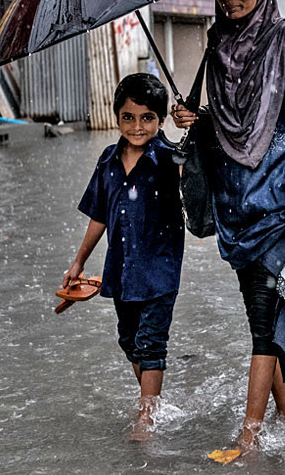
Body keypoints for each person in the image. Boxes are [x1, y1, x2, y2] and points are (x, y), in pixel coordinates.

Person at [172, 0, 285, 451]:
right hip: (234, 206)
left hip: (279, 204)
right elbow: (221, 123)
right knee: (256, 318)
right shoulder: (217, 41)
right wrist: (191, 118)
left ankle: (250, 436)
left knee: (265, 325)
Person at [62, 73, 184, 441]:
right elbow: (99, 214)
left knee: (150, 341)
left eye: (148, 117)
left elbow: (197, 185)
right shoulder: (108, 160)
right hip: (122, 268)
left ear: (161, 120)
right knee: (129, 340)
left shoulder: (171, 160)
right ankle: (153, 400)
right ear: (116, 117)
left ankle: (146, 417)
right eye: (128, 117)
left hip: (160, 269)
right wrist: (79, 262)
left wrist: (191, 129)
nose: (137, 126)